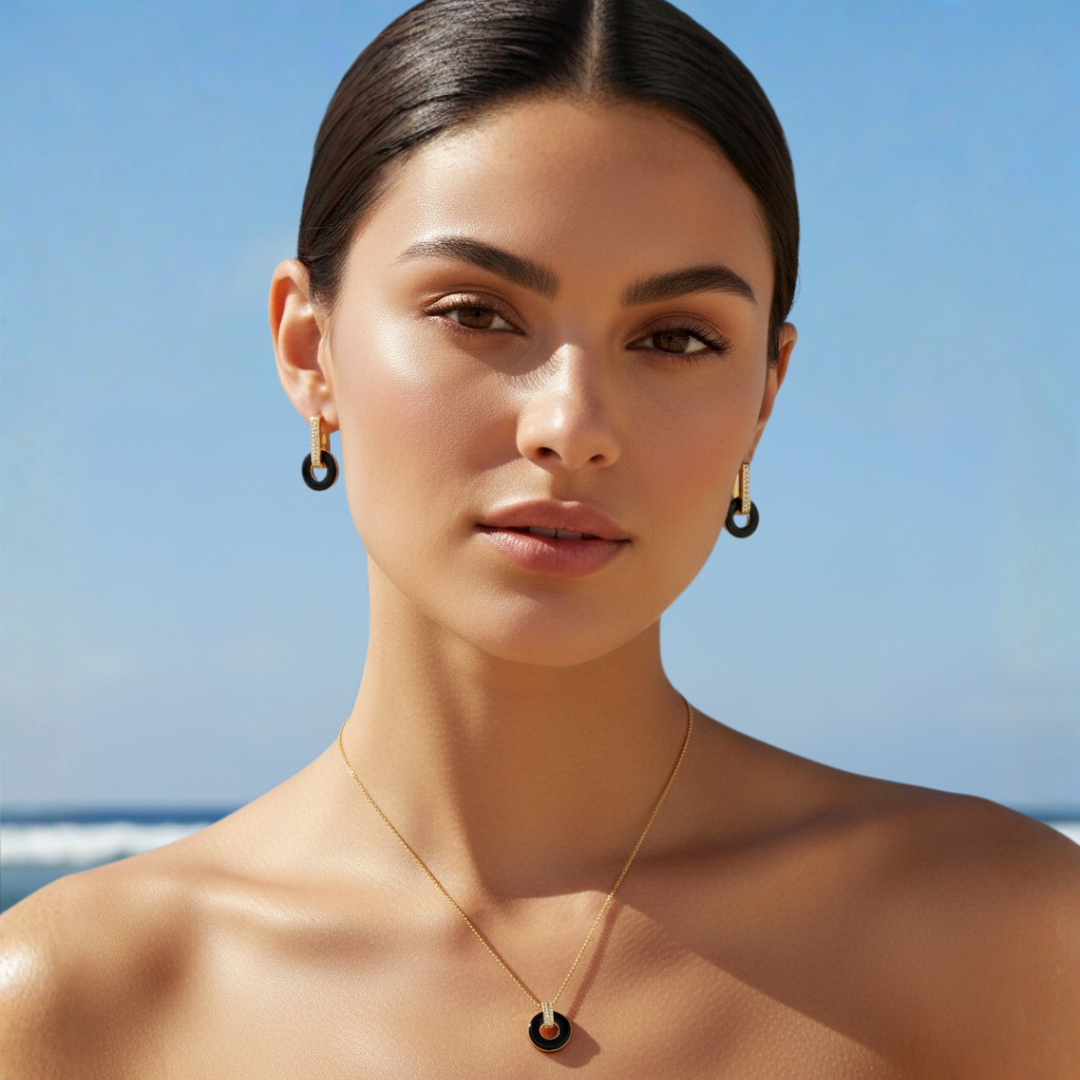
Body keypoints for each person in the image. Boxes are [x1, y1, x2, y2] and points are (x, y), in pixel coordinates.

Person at [2, 0, 1078, 1075]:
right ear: (307, 348)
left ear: (764, 393)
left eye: (675, 338)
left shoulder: (1012, 936)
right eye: (476, 312)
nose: (571, 425)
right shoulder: (70, 1005)